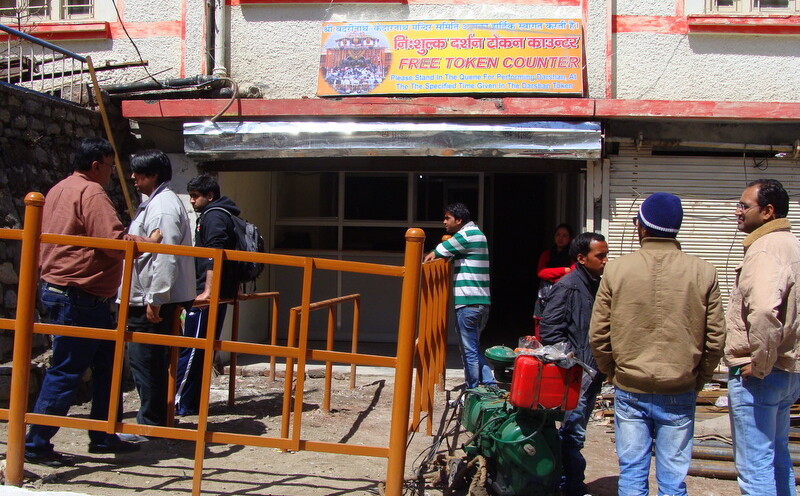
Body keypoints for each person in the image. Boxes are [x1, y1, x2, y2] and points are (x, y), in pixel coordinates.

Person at [25, 138, 158, 466]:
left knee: (106, 366)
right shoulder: (92, 193)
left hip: (68, 291)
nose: (113, 173)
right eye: (111, 166)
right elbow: (112, 242)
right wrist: (148, 242)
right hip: (79, 295)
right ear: (96, 165)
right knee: (67, 369)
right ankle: (36, 443)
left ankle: (102, 433)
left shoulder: (59, 188)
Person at [589, 192, 725, 496]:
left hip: (630, 386)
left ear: (642, 227)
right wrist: (699, 378)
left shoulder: (617, 270)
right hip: (679, 387)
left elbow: (598, 334)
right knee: (673, 481)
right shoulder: (703, 271)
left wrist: (613, 372)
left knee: (632, 475)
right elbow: (715, 338)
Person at [725, 179, 800, 496]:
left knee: (755, 468)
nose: (737, 211)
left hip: (762, 376)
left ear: (768, 211)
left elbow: (764, 311)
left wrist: (760, 364)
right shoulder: (791, 244)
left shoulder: (766, 249)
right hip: (787, 371)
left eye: (744, 206)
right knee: (778, 458)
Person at [125, 149, 195, 427]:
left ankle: (151, 423)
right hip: (151, 296)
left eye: (138, 173)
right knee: (148, 360)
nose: (132, 177)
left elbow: (166, 255)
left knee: (147, 361)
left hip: (152, 299)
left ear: (153, 175)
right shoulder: (157, 203)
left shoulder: (162, 207)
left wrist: (156, 298)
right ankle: (155, 419)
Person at [539, 231, 608, 496]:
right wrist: (574, 363)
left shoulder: (595, 284)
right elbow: (550, 331)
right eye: (600, 256)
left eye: (606, 255)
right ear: (581, 258)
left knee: (574, 433)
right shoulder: (569, 286)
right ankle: (570, 486)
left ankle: (566, 483)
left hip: (592, 372)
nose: (605, 260)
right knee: (572, 434)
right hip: (578, 375)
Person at [175, 175, 240, 416]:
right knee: (200, 350)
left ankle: (179, 401)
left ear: (209, 196)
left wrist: (208, 291)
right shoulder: (222, 214)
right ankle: (191, 402)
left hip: (208, 294)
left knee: (193, 349)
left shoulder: (214, 216)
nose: (191, 201)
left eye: (195, 196)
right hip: (216, 292)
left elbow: (215, 253)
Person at [423, 203, 494, 389]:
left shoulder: (466, 235)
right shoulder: (478, 234)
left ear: (459, 220)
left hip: (468, 303)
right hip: (481, 302)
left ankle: (472, 389)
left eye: (448, 218)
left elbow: (439, 251)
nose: (444, 222)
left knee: (469, 351)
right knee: (473, 347)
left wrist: (430, 255)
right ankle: (490, 383)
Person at [534, 223, 574, 319]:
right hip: (545, 295)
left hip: (564, 295)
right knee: (541, 321)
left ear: (570, 238)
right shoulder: (546, 254)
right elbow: (541, 272)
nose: (560, 238)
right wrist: (563, 270)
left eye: (564, 236)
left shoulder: (573, 256)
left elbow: (573, 274)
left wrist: (551, 278)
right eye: (558, 235)